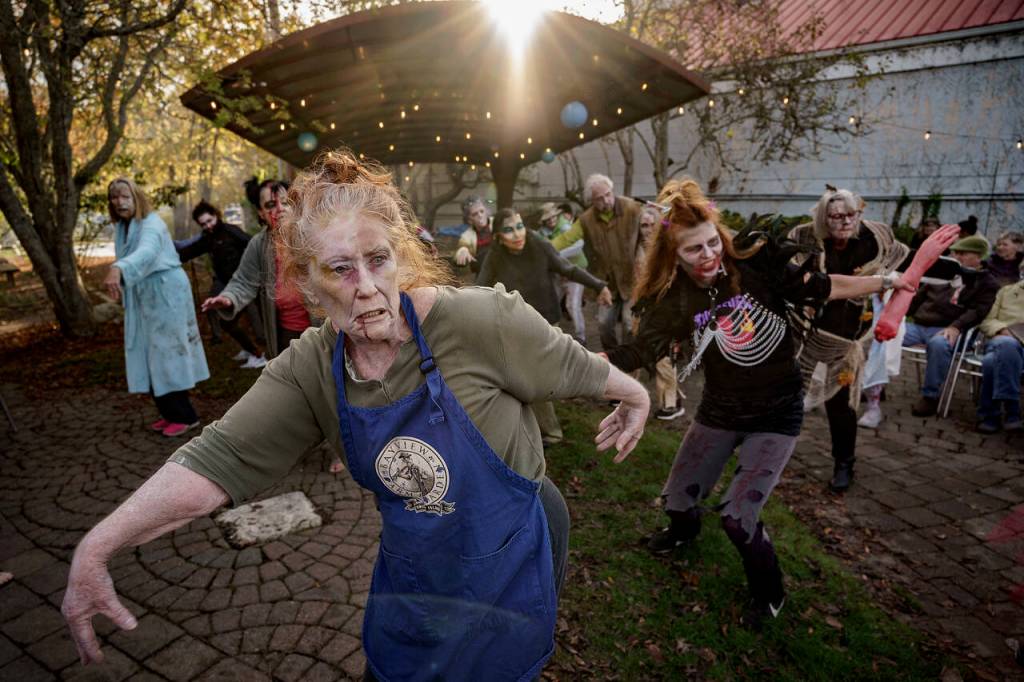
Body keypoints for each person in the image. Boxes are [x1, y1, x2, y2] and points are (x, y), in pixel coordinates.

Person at [62, 150, 651, 681]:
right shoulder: (313, 368)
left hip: (515, 548)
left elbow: (575, 365)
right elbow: (218, 459)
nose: (367, 287)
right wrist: (97, 545)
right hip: (417, 565)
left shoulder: (480, 321)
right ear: (305, 283)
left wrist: (635, 396)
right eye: (340, 268)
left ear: (401, 256)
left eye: (378, 260)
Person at [605, 179, 913, 623]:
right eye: (694, 250)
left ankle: (769, 593)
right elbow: (639, 352)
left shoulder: (756, 264)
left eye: (712, 242)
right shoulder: (674, 299)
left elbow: (823, 286)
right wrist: (583, 360)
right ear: (674, 254)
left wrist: (884, 280)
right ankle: (681, 534)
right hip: (720, 410)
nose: (709, 255)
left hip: (776, 412)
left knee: (738, 517)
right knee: (676, 500)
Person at [787, 189, 909, 492]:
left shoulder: (874, 241)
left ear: (859, 214)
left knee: (840, 404)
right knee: (786, 395)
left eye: (850, 215)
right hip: (805, 332)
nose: (843, 221)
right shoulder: (807, 240)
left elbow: (908, 261)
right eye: (836, 216)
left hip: (847, 336)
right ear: (824, 218)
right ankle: (765, 453)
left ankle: (845, 463)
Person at [477, 207, 613, 445]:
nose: (518, 234)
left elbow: (567, 268)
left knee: (541, 373)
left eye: (519, 226)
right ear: (498, 235)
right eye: (508, 230)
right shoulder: (495, 255)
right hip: (517, 324)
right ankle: (548, 429)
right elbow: (480, 288)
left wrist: (599, 285)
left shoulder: (537, 243)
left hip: (546, 318)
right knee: (531, 374)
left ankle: (589, 389)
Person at [103, 178, 209, 437]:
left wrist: (119, 268)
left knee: (168, 354)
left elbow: (147, 252)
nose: (119, 202)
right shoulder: (124, 227)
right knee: (149, 355)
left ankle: (186, 416)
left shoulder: (151, 224)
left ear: (136, 196)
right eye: (114, 197)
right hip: (146, 295)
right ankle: (168, 412)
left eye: (124, 196)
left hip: (165, 295)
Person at [202, 179, 312, 359]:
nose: (280, 208)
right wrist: (228, 298)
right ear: (261, 213)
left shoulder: (316, 235)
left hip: (326, 330)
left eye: (285, 202)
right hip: (287, 334)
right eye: (270, 205)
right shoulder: (259, 245)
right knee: (296, 383)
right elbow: (243, 281)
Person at [904, 235, 1001, 417]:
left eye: (962, 253)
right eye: (954, 252)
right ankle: (874, 387)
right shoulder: (943, 272)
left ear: (979, 257)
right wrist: (896, 316)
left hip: (951, 329)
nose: (955, 256)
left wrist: (956, 326)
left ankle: (930, 397)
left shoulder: (987, 283)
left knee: (939, 344)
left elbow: (978, 312)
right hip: (919, 326)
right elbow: (917, 298)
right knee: (884, 334)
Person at [552, 174, 643, 351]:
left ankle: (630, 359)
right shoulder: (586, 220)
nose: (606, 200)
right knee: (603, 325)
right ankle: (613, 355)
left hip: (632, 279)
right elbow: (566, 239)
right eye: (599, 198)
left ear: (612, 190)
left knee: (629, 324)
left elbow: (649, 231)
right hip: (606, 283)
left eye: (608, 194)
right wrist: (542, 248)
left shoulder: (632, 208)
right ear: (592, 201)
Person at [178, 200, 266, 369]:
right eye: (203, 224)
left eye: (210, 221)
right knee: (226, 322)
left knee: (248, 321)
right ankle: (252, 351)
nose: (208, 226)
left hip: (248, 283)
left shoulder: (231, 231)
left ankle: (259, 355)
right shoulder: (207, 238)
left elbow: (255, 247)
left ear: (216, 216)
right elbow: (188, 252)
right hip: (229, 287)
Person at [635, 205, 685, 421]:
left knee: (664, 358)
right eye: (643, 225)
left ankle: (670, 405)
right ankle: (673, 398)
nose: (647, 229)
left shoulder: (668, 251)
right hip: (642, 311)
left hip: (667, 313)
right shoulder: (635, 251)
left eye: (651, 225)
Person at [976, 264, 1024, 432]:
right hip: (1002, 339)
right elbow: (986, 321)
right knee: (1006, 344)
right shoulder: (1005, 292)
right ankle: (1012, 410)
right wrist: (1003, 330)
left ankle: (990, 416)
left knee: (990, 363)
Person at [539, 201, 588, 344]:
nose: (552, 220)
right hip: (559, 273)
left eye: (553, 217)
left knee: (572, 304)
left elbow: (579, 246)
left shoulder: (566, 227)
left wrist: (557, 254)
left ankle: (581, 337)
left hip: (575, 271)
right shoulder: (542, 233)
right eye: (548, 219)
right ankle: (552, 333)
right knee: (552, 301)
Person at [452, 195, 492, 272]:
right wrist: (463, 250)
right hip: (483, 272)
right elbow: (462, 246)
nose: (480, 215)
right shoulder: (467, 235)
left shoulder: (497, 222)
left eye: (482, 211)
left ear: (486, 212)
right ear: (469, 219)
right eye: (475, 214)